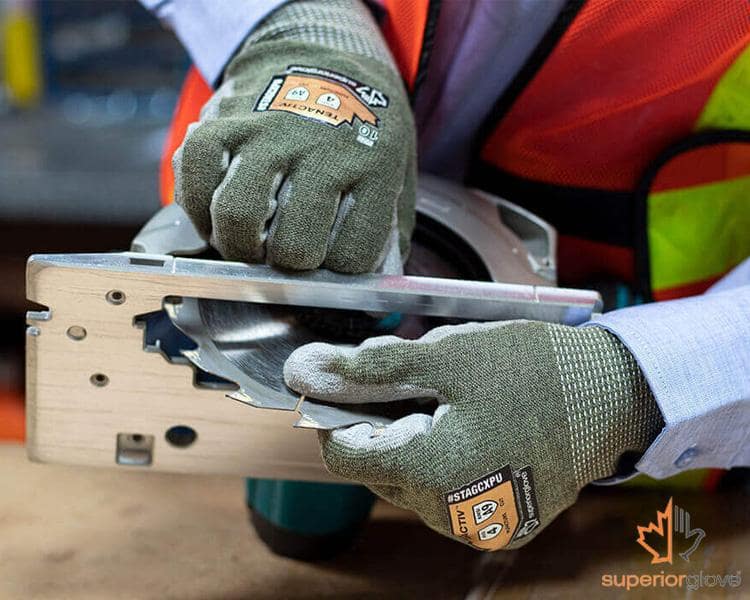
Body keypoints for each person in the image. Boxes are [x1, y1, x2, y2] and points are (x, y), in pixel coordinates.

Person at [141, 0, 750, 551]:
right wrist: (297, 24)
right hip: (250, 295)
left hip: (652, 443)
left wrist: (635, 381)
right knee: (299, 531)